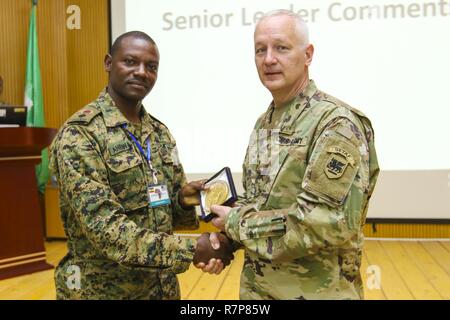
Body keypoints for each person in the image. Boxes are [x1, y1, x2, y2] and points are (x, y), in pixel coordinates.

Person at [49, 31, 234, 300]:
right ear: (108, 63)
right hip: (101, 292)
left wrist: (181, 201)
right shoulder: (80, 135)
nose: (141, 72)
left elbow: (165, 214)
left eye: (151, 66)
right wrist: (194, 249)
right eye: (130, 62)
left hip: (161, 289)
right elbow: (106, 230)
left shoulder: (158, 133)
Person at [210, 10, 380, 300]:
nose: (268, 59)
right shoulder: (264, 123)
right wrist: (226, 241)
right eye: (260, 50)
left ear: (308, 54)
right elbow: (259, 204)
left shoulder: (336, 124)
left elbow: (321, 224)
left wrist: (236, 224)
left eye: (282, 47)